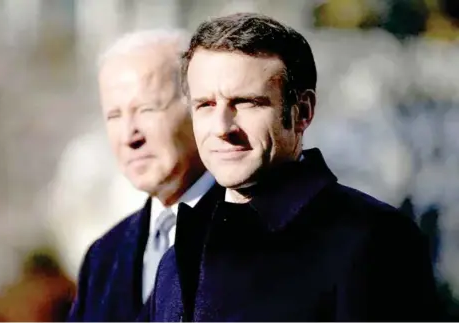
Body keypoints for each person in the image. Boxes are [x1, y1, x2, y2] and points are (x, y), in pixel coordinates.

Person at [139, 13, 443, 321]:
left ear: (303, 112)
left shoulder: (374, 240)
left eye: (246, 103)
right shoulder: (179, 254)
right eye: (205, 105)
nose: (221, 127)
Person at [66, 29, 218, 322]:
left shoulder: (257, 233)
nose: (129, 136)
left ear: (201, 107)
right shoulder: (103, 258)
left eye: (146, 109)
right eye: (114, 115)